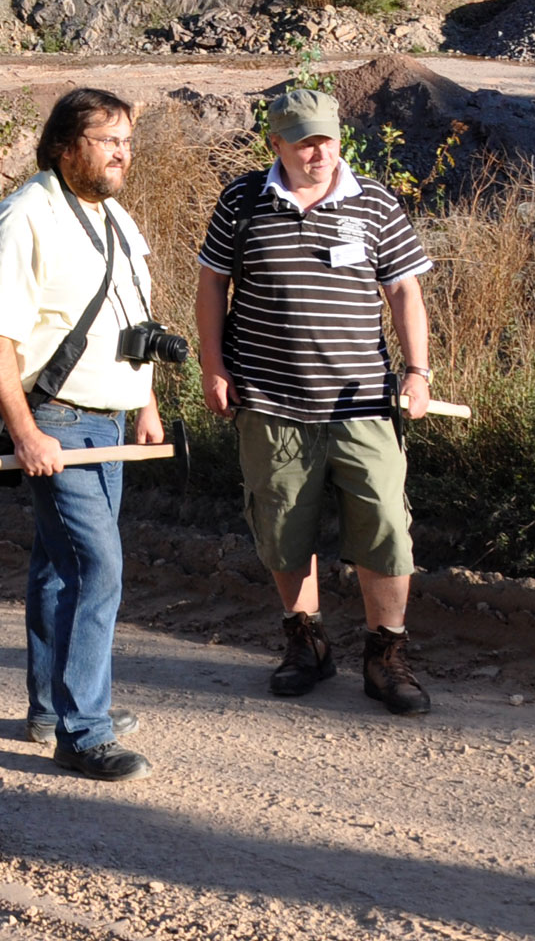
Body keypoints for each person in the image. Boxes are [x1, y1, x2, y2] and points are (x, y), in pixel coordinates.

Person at [195, 87, 437, 716]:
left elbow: (405, 293)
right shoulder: (242, 200)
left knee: (386, 527)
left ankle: (386, 655)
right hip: (270, 400)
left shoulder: (375, 202)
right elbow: (212, 284)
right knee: (284, 527)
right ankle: (306, 644)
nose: (319, 152)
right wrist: (213, 366)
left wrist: (418, 373)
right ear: (276, 143)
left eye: (327, 139)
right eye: (304, 142)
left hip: (362, 403)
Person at [0, 86, 164, 781]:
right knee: (96, 568)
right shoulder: (22, 217)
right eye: (108, 141)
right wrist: (24, 432)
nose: (122, 154)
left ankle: (53, 709)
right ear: (62, 146)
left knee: (59, 569)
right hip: (55, 421)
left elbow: (131, 321)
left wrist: (145, 402)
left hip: (109, 422)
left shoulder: (115, 218)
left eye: (127, 142)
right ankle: (84, 733)